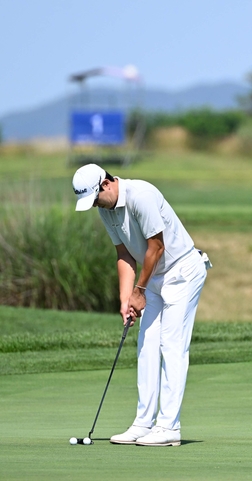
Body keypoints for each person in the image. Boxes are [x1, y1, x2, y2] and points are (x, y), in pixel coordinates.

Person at [72, 164, 209, 447]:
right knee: (146, 344)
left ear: (106, 184)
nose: (96, 204)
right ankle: (143, 423)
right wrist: (126, 299)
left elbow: (156, 247)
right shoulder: (105, 209)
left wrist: (139, 291)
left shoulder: (140, 195)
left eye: (96, 198)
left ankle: (169, 426)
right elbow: (124, 254)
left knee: (171, 345)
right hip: (154, 276)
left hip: (181, 271)